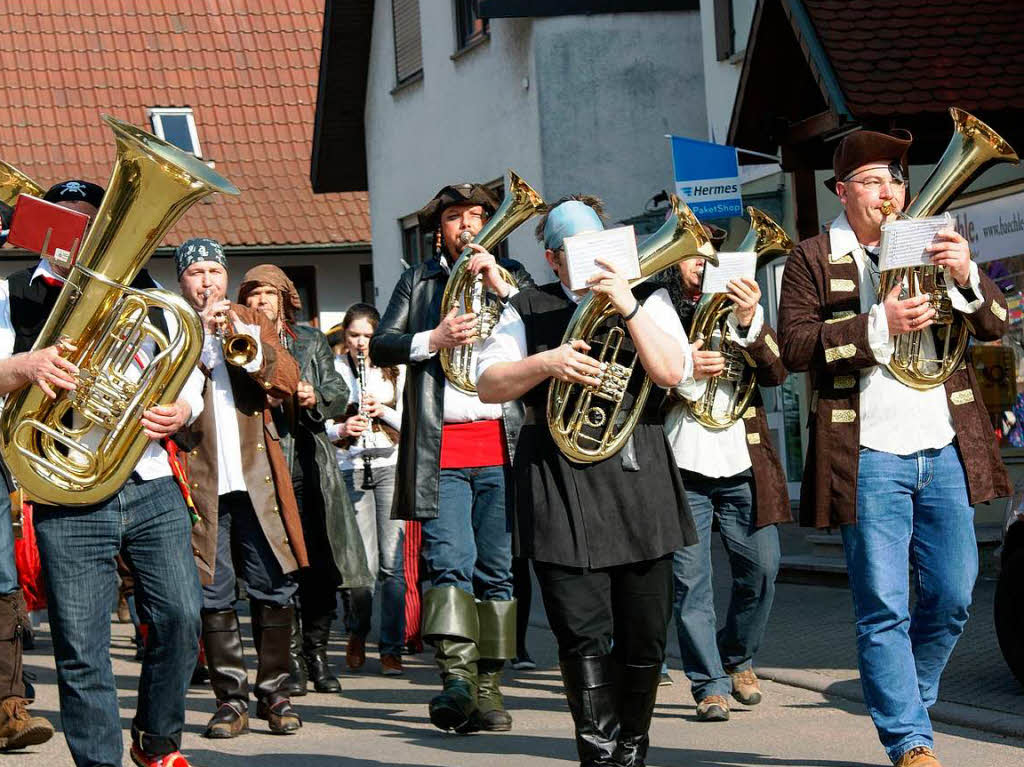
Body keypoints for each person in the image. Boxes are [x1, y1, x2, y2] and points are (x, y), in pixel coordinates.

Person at [778, 129, 1011, 767]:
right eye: (875, 181)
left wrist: (965, 274)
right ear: (842, 190)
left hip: (943, 444)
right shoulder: (812, 257)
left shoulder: (931, 243)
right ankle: (909, 739)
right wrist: (879, 324)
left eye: (897, 181)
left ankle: (910, 693)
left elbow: (996, 325)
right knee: (883, 606)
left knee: (956, 594)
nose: (891, 193)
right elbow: (796, 347)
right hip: (868, 453)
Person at [476, 195, 697, 767]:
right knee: (581, 632)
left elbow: (672, 371)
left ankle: (632, 747)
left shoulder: (649, 296)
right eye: (577, 252)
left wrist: (628, 304)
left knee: (646, 632)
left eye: (603, 247)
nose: (593, 261)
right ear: (552, 259)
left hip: (638, 474)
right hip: (558, 479)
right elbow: (489, 383)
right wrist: (545, 364)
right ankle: (599, 755)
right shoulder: (525, 306)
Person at [0, 180, 206, 767]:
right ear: (43, 228)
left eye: (89, 220)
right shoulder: (10, 293)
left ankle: (157, 741)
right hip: (65, 489)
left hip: (147, 480)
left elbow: (188, 371)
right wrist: (26, 365)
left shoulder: (145, 289)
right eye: (62, 220)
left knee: (180, 618)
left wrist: (182, 408)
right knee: (83, 647)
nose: (76, 231)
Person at [370, 182, 533, 734]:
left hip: (501, 447)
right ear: (438, 228)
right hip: (442, 448)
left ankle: (490, 687)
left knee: (498, 571)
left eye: (478, 216)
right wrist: (432, 338)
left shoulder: (511, 278)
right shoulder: (419, 280)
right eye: (457, 218)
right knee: (448, 565)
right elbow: (381, 343)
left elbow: (540, 331)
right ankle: (456, 678)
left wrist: (500, 285)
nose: (468, 225)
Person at [175, 238, 308, 739]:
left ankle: (276, 693)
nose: (207, 281)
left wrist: (246, 350)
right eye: (196, 273)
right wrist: (201, 348)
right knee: (214, 591)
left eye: (214, 270)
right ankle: (230, 701)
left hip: (257, 480)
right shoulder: (172, 326)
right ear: (182, 281)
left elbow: (288, 380)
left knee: (274, 585)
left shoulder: (252, 321)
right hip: (202, 480)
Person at [661, 224, 789, 721]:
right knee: (690, 583)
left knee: (763, 569)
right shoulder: (661, 310)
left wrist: (749, 318)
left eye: (710, 256)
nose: (702, 264)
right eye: (693, 256)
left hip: (742, 464)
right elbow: (641, 388)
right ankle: (707, 682)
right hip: (682, 465)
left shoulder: (741, 312)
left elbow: (778, 372)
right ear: (674, 262)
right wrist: (684, 369)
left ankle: (737, 656)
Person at [237, 265, 370, 695]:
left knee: (319, 570)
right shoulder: (238, 341)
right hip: (263, 469)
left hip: (309, 468)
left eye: (268, 294)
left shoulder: (310, 340)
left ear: (284, 299)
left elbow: (339, 395)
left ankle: (316, 655)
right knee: (278, 569)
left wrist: (316, 395)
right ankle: (288, 659)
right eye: (253, 294)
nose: (260, 302)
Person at [326, 303, 407, 675]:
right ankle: (357, 634)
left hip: (389, 466)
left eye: (368, 336)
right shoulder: (335, 370)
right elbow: (321, 424)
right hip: (352, 468)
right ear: (345, 335)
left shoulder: (395, 370)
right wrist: (342, 430)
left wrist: (382, 411)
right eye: (354, 335)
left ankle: (391, 647)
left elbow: (410, 422)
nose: (361, 343)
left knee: (392, 566)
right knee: (362, 568)